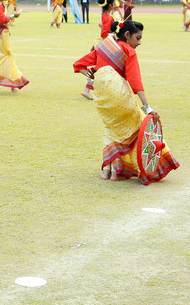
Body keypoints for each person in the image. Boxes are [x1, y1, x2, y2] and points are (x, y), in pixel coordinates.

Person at [73, 19, 180, 183]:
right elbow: (135, 82)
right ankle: (121, 170)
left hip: (102, 99)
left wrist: (93, 75)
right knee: (138, 126)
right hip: (120, 97)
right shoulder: (129, 51)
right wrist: (147, 107)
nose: (139, 43)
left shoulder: (103, 48)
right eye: (138, 38)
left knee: (111, 129)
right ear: (128, 35)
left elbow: (79, 65)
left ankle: (108, 170)